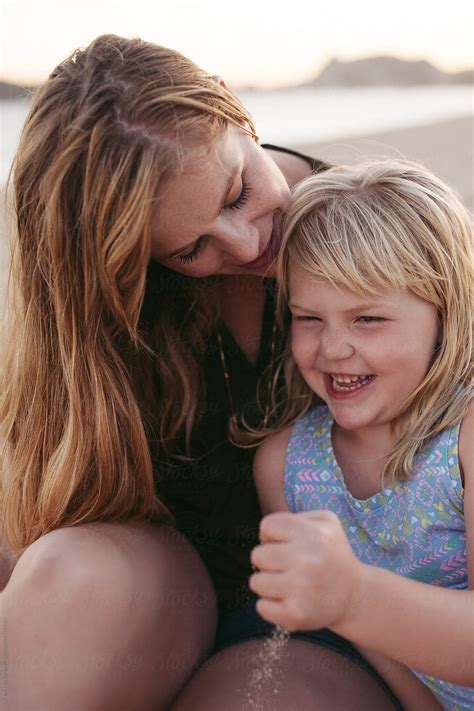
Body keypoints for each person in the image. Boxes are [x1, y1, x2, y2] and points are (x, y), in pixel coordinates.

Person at [1, 34, 403, 709]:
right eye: (191, 248)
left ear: (227, 100)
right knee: (62, 582)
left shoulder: (385, 233)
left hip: (338, 614)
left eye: (239, 190)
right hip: (166, 589)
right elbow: (46, 506)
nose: (246, 244)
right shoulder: (120, 307)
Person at [250, 160, 473, 710]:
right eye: (309, 318)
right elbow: (374, 648)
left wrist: (352, 596)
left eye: (367, 319)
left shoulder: (464, 438)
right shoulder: (285, 466)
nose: (332, 349)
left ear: (445, 314)